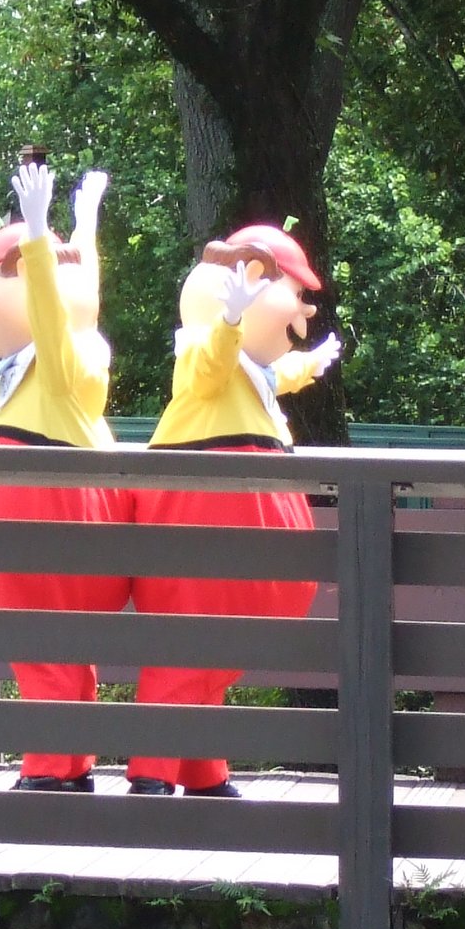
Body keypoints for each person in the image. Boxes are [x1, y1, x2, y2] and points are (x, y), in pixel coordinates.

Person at [127, 224, 341, 798]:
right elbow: (211, 367)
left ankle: (201, 768)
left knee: (212, 646)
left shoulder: (249, 372)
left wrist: (311, 363)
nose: (304, 307)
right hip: (201, 512)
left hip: (233, 520)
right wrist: (229, 320)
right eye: (295, 292)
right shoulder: (200, 354)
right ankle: (152, 769)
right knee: (191, 638)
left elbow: (272, 376)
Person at [0, 161, 132, 793]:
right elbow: (80, 294)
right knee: (55, 645)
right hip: (34, 530)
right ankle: (70, 761)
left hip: (46, 530)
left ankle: (51, 767)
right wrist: (84, 227)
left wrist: (35, 234)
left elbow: (56, 313)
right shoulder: (43, 363)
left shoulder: (62, 363)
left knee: (43, 639)